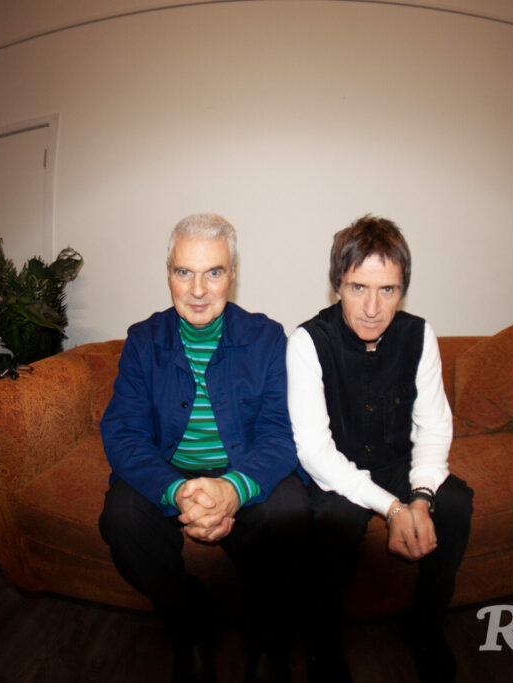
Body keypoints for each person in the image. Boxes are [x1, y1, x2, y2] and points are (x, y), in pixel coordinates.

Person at [99, 213, 309, 683]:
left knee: (292, 509)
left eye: (213, 272)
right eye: (184, 272)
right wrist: (178, 493)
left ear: (232, 276)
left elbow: (282, 432)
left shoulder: (267, 337)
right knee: (120, 516)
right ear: (168, 274)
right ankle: (191, 625)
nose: (198, 289)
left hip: (244, 473)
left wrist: (233, 489)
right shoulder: (142, 341)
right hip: (169, 476)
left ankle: (268, 636)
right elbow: (124, 433)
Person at [286, 215, 474, 683]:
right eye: (357, 288)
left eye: (387, 290)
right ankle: (324, 646)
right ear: (337, 286)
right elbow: (314, 450)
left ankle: (426, 627)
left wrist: (422, 498)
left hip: (396, 462)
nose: (372, 307)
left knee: (457, 504)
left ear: (402, 290)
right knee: (331, 522)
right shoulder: (307, 342)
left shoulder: (419, 335)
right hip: (337, 470)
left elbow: (433, 428)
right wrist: (392, 509)